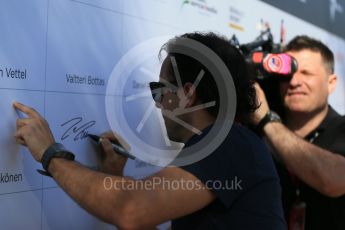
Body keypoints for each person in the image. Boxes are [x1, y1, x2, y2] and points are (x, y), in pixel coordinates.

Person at [14, 32, 286, 229]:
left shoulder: (228, 142)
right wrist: (114, 177)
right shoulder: (231, 145)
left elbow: (129, 209)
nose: (158, 104)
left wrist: (51, 154)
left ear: (187, 95)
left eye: (160, 90)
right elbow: (137, 214)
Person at [251, 35, 345, 230]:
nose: (294, 82)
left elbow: (334, 179)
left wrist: (267, 121)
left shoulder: (342, 129)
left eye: (306, 73)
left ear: (331, 83)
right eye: (287, 73)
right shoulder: (253, 133)